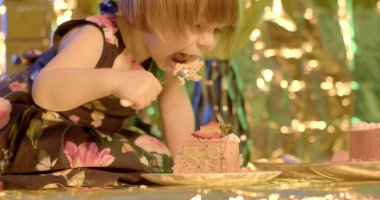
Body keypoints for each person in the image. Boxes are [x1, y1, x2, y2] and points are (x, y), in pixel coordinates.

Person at [0, 0, 237, 189]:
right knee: (100, 154)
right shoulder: (97, 35)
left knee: (157, 155)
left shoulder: (165, 59)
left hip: (93, 132)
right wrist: (114, 81)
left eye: (215, 29)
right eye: (197, 25)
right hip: (31, 127)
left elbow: (175, 109)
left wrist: (190, 168)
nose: (208, 41)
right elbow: (46, 89)